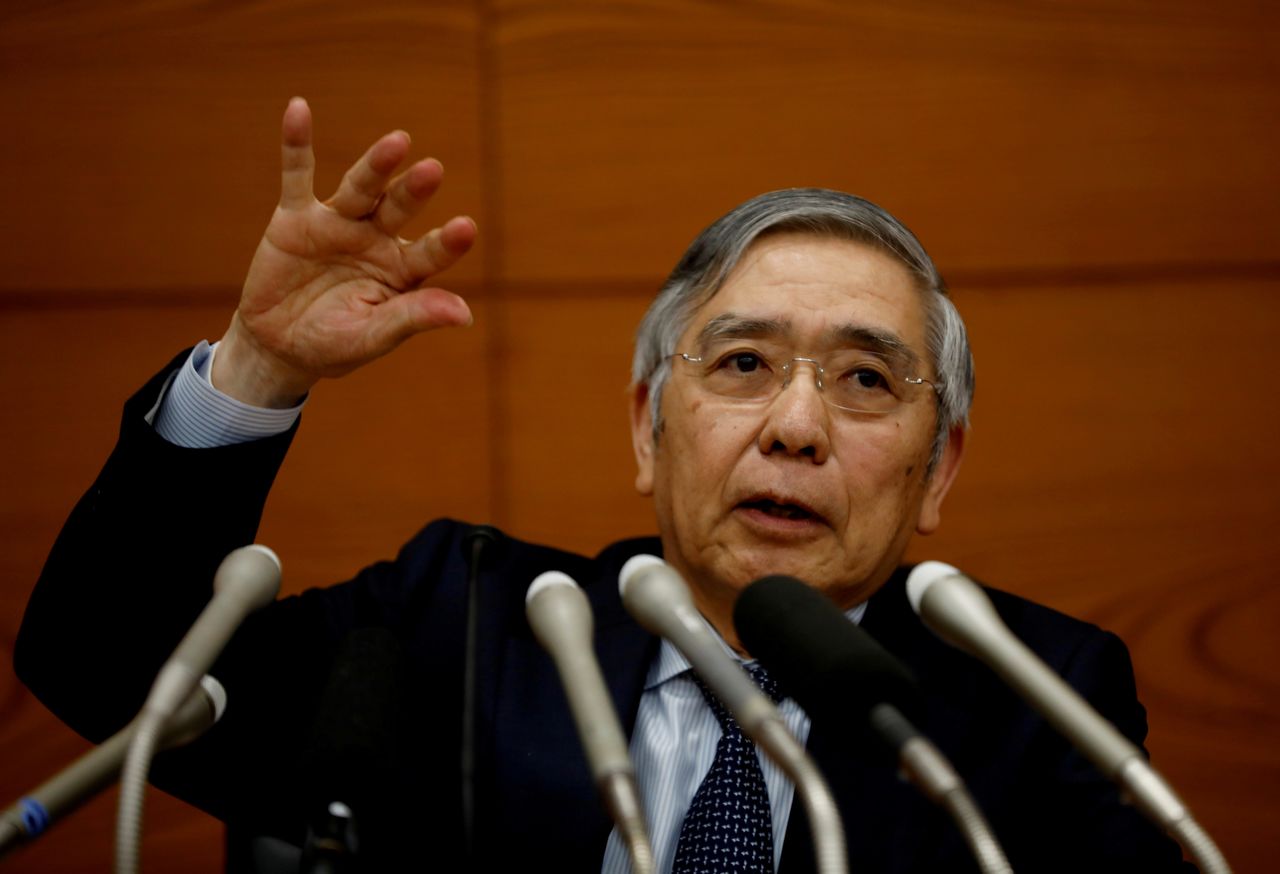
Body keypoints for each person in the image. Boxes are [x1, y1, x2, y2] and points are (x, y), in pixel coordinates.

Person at [15, 97, 1194, 872]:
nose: (794, 425)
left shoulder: (1038, 703)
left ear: (937, 469)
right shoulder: (466, 625)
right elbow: (104, 665)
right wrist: (258, 371)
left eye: (862, 381)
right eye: (741, 364)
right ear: (646, 426)